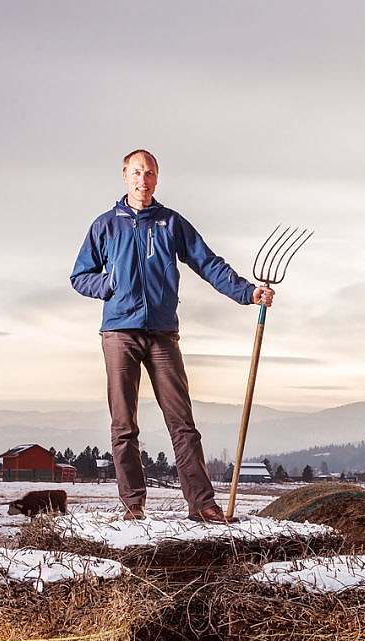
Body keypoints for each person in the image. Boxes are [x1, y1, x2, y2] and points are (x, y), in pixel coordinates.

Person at [70, 149, 274, 523]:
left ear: (156, 179)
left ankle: (202, 503)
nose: (142, 180)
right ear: (125, 176)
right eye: (136, 172)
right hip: (119, 333)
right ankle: (133, 505)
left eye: (149, 173)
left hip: (163, 333)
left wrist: (248, 292)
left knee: (182, 423)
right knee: (123, 425)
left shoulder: (170, 223)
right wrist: (107, 285)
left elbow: (208, 262)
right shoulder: (105, 226)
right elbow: (79, 275)